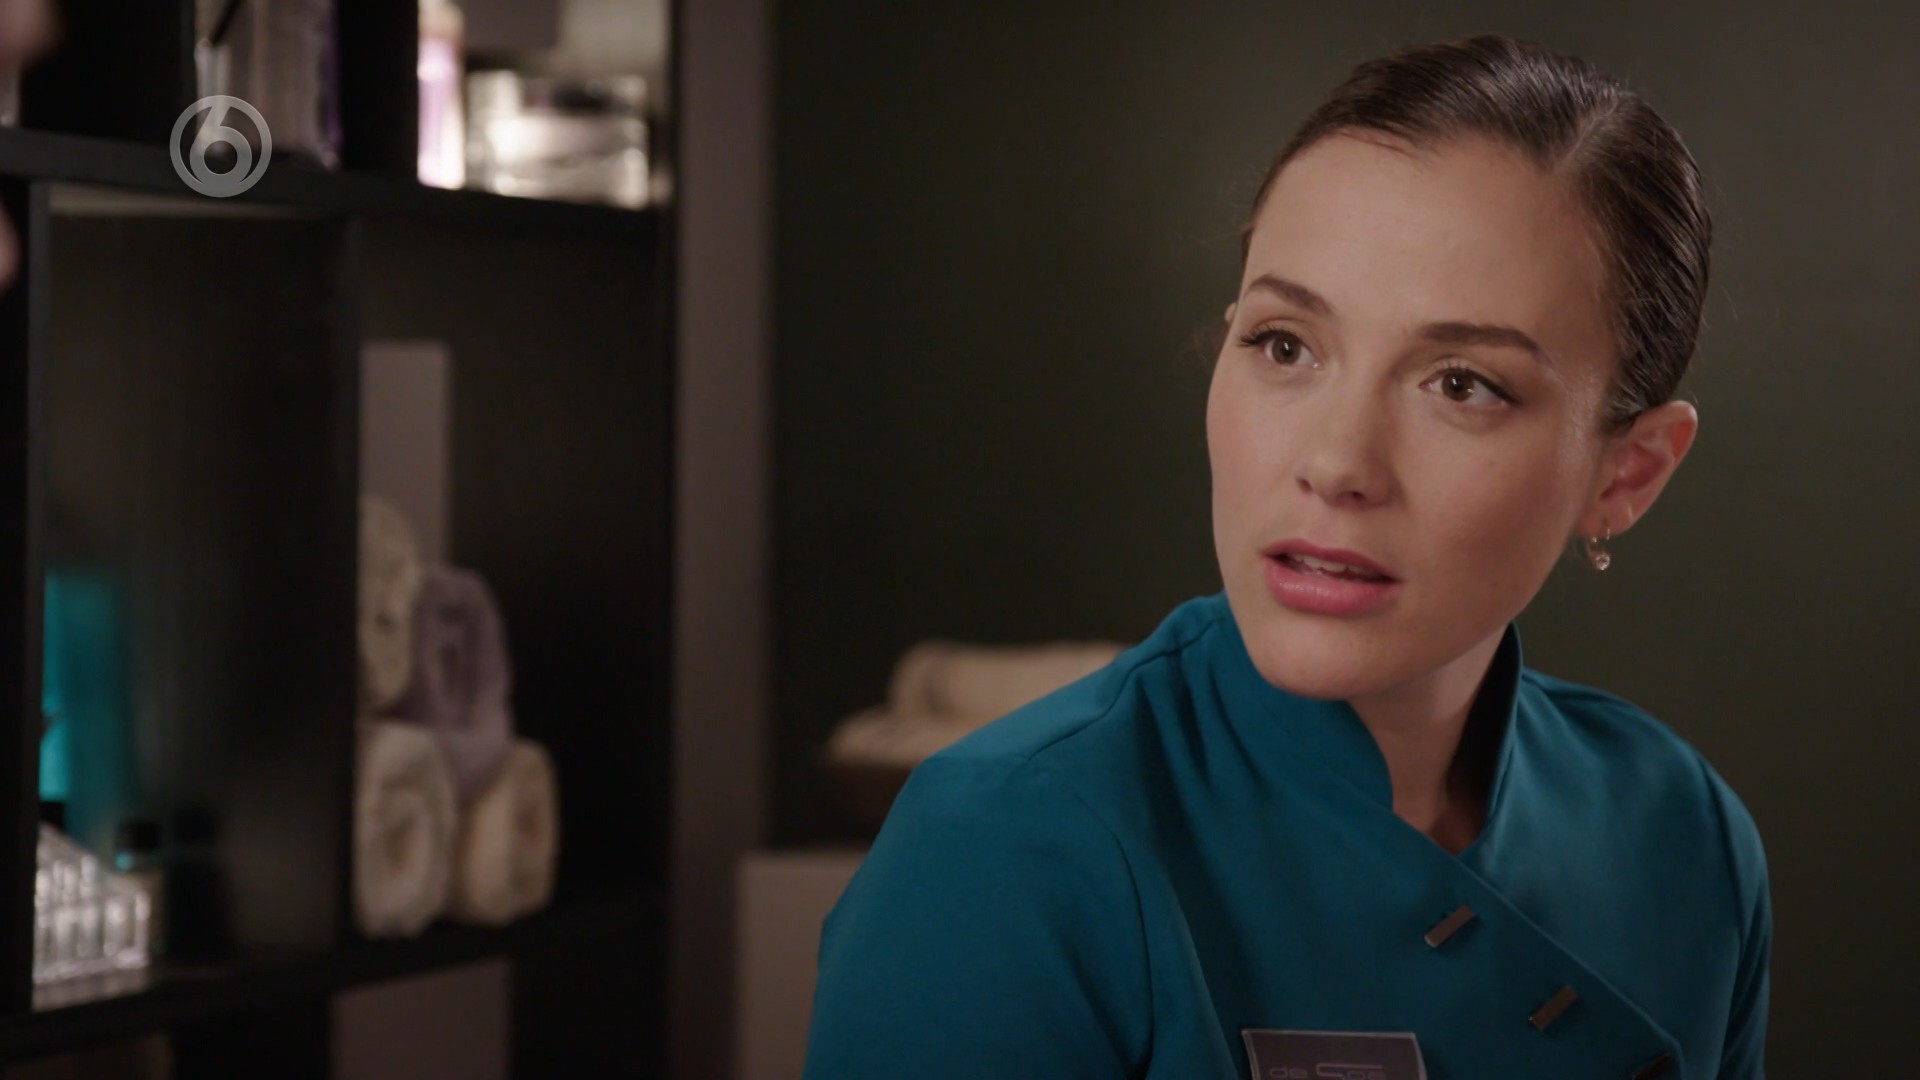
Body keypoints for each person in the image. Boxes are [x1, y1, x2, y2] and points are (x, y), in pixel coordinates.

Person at [802, 33, 1768, 1080]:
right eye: (1285, 345)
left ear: (1625, 475)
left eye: (1461, 384)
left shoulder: (1682, 836)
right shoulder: (1001, 848)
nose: (1337, 463)